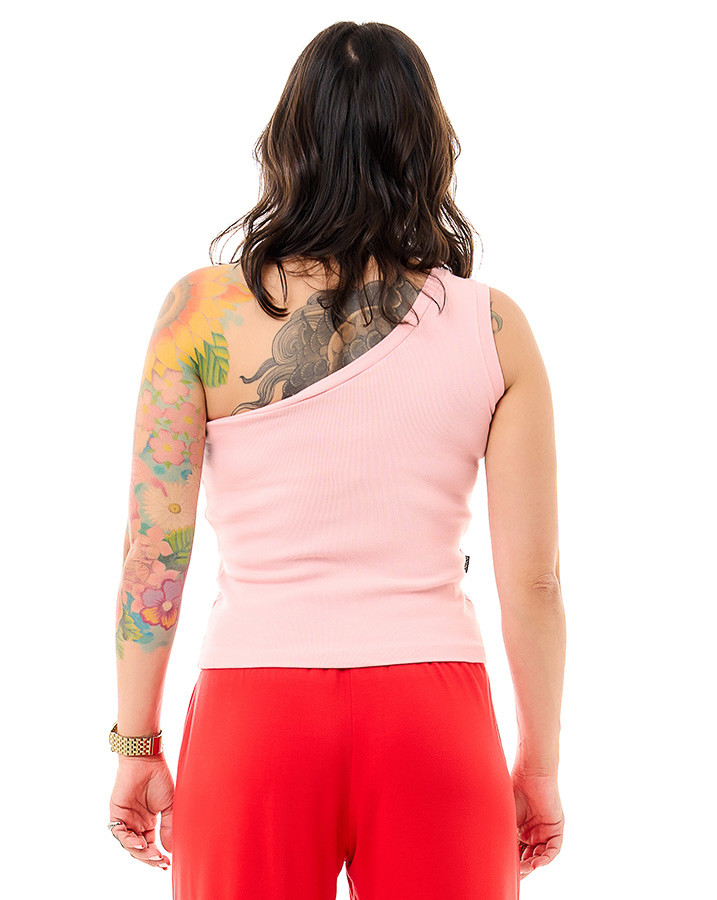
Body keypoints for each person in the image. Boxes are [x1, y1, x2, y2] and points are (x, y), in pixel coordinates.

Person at [107, 20, 565, 900]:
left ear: (288, 144)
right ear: (427, 151)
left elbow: (152, 555)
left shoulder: (200, 314)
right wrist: (536, 766)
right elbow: (534, 583)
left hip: (253, 717)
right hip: (434, 719)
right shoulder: (493, 327)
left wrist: (136, 744)